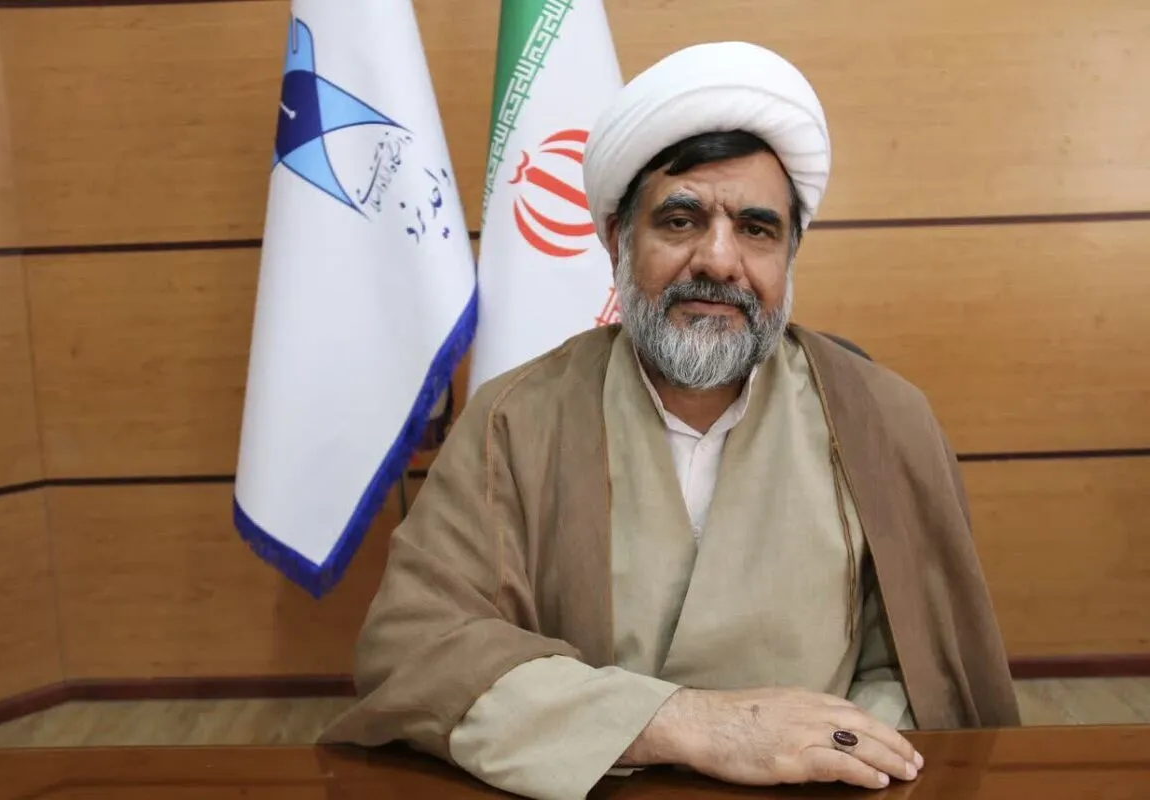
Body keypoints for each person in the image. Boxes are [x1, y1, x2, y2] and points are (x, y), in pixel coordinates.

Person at [320, 41, 1021, 800]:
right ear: (617, 241)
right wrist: (689, 725)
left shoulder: (881, 419)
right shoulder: (516, 419)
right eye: (681, 221)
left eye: (756, 229)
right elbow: (420, 648)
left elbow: (919, 669)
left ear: (790, 254)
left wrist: (833, 752)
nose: (719, 261)